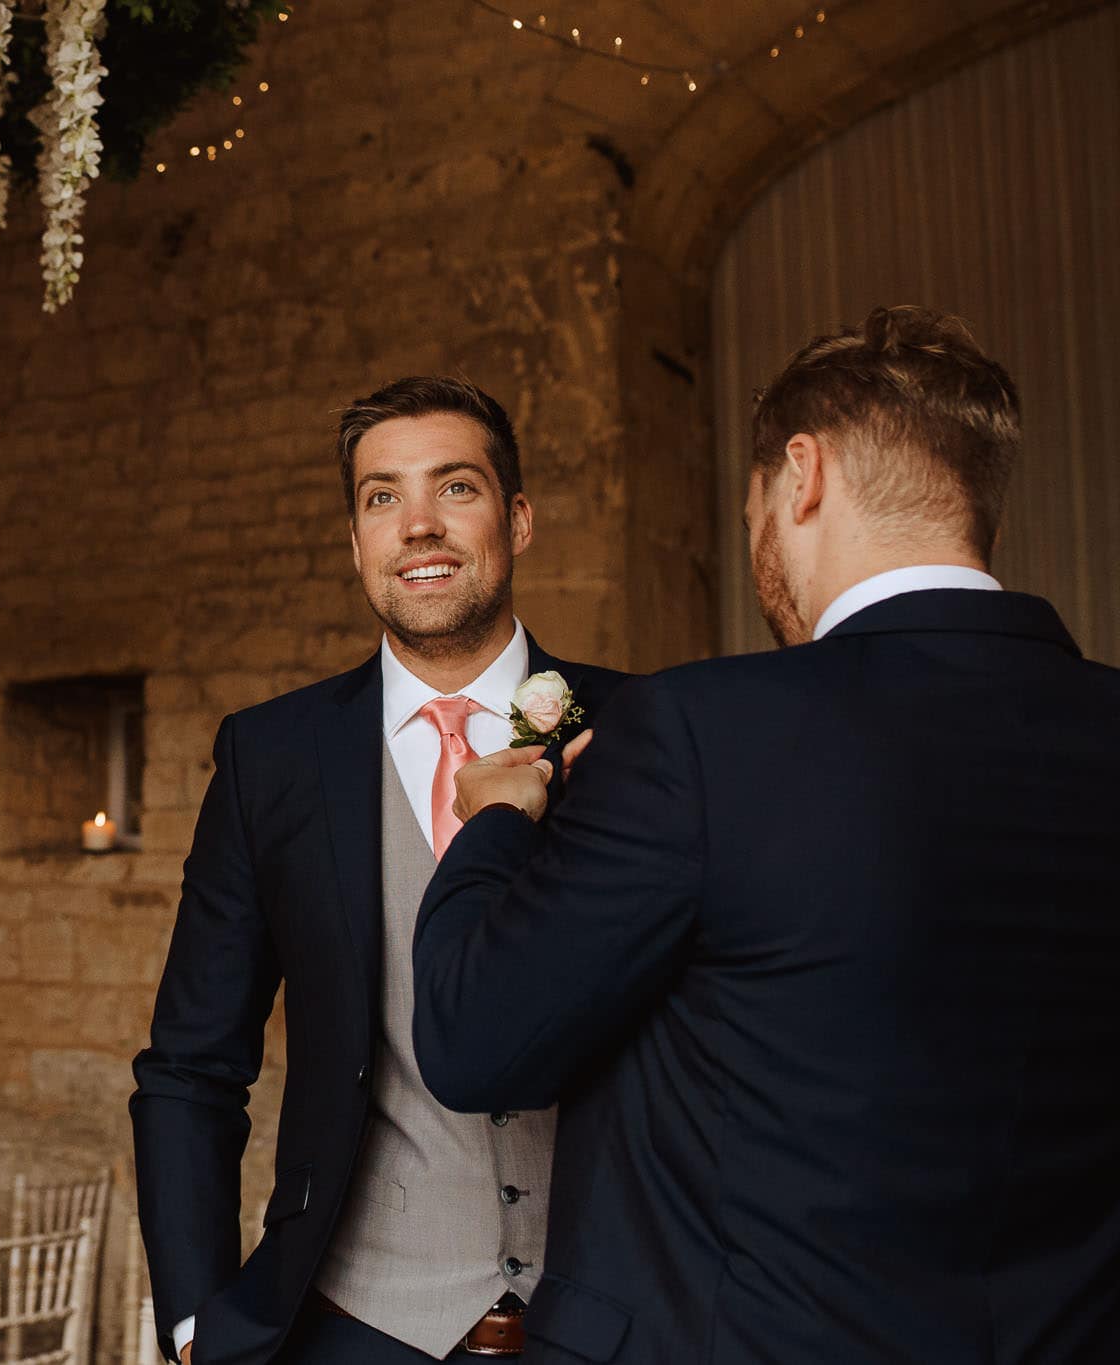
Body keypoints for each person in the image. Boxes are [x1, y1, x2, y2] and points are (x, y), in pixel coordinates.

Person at [412, 306, 1120, 1363]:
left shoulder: (699, 730)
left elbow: (474, 1041)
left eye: (753, 510)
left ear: (802, 475)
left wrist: (494, 829)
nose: (755, 541)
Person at [131, 378, 626, 1365]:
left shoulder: (640, 729)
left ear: (516, 519)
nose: (417, 526)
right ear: (355, 541)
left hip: (617, 1319)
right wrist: (194, 1325)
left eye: (454, 488)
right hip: (353, 1325)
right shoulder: (271, 758)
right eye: (380, 497)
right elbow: (190, 1066)